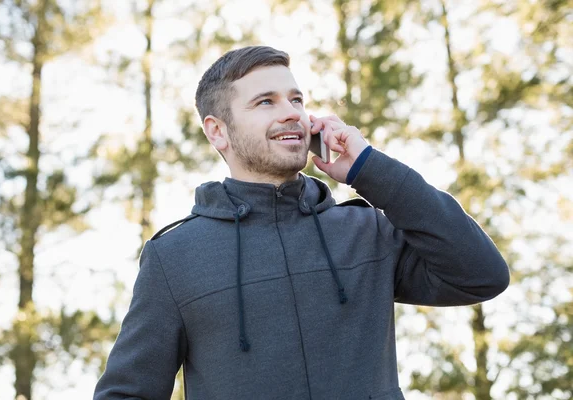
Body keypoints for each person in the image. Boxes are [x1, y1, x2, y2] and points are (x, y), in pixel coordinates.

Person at [93, 46, 509, 400]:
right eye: (266, 102)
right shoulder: (176, 257)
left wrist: (368, 168)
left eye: (296, 100)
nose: (292, 114)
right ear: (218, 132)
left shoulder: (366, 232)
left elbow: (481, 276)